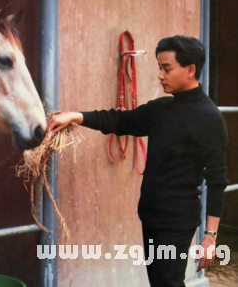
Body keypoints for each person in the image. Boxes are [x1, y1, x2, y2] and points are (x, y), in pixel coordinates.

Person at [47, 36, 229, 287]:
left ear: (190, 70)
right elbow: (118, 121)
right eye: (159, 68)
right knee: (160, 283)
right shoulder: (160, 110)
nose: (160, 75)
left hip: (177, 222)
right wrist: (76, 116)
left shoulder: (210, 119)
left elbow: (217, 180)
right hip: (151, 215)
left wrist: (210, 238)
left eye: (167, 68)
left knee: (168, 282)